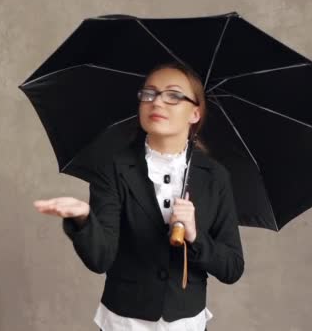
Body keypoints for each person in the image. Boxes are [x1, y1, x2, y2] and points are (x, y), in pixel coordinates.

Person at [34, 61, 245, 331]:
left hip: (186, 323)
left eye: (173, 95)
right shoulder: (113, 168)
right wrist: (84, 219)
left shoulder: (215, 176)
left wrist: (195, 236)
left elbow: (232, 268)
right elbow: (100, 259)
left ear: (194, 113)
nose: (157, 102)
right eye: (149, 93)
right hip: (124, 322)